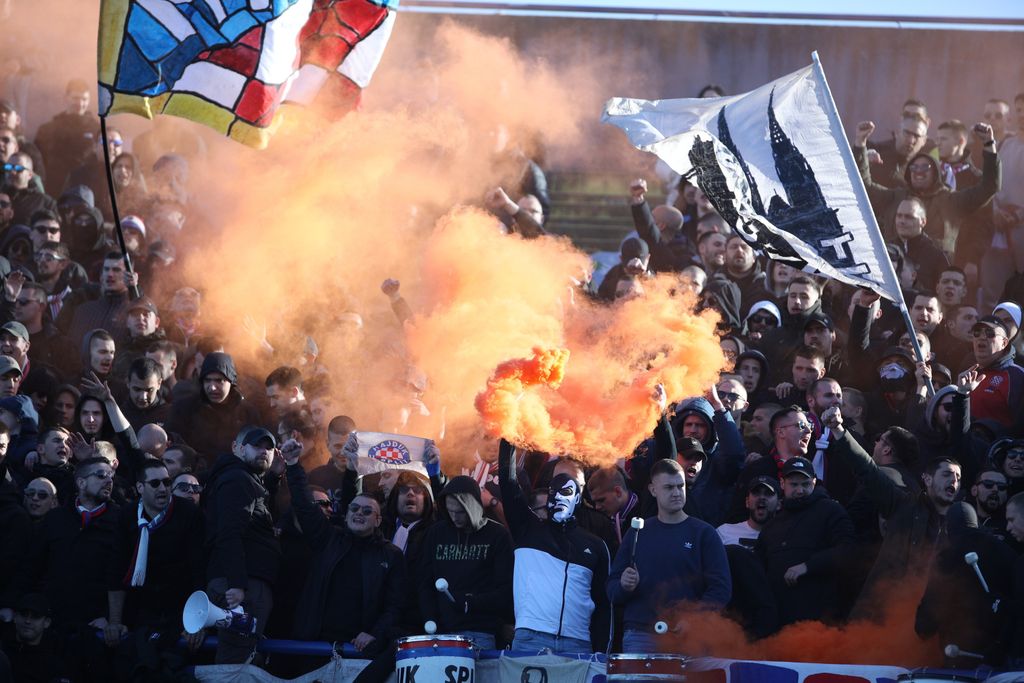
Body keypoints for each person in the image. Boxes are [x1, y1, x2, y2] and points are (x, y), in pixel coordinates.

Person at [282, 438, 405, 682]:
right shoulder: (328, 538)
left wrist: (374, 634)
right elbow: (305, 507)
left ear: (378, 520)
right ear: (346, 514)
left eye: (367, 511)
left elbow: (395, 605)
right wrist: (293, 464)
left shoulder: (391, 555)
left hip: (358, 653)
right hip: (314, 646)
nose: (359, 513)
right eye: (354, 509)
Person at [498, 438, 610, 653]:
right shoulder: (527, 529)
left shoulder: (595, 546)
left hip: (577, 643)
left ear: (578, 499)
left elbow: (605, 606)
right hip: (531, 638)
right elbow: (508, 481)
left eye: (566, 493)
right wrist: (507, 429)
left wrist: (601, 653)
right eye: (553, 492)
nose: (558, 498)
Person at [608, 458, 731, 653]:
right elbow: (612, 589)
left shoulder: (704, 533)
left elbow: (721, 588)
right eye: (668, 487)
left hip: (688, 637)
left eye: (680, 486)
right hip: (640, 634)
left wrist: (694, 618)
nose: (676, 492)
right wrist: (624, 586)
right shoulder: (637, 532)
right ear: (653, 490)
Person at [104, 459, 205, 655]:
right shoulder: (127, 515)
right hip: (141, 609)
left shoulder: (189, 513)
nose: (163, 488)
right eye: (155, 483)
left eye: (167, 482)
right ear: (140, 487)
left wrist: (198, 623)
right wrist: (114, 621)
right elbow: (116, 568)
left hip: (182, 610)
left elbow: (199, 569)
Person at [203, 426, 281, 664]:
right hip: (240, 589)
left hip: (239, 585)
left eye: (269, 447)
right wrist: (237, 584)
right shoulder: (238, 479)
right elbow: (229, 533)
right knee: (236, 664)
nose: (264, 451)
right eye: (257, 445)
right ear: (236, 448)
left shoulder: (241, 478)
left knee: (240, 660)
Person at [22, 457, 119, 631]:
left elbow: (122, 575)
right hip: (53, 620)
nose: (108, 481)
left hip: (96, 624)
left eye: (111, 476)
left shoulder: (121, 521)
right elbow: (32, 567)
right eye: (101, 475)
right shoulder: (55, 518)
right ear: (81, 483)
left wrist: (110, 618)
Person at [417, 476, 514, 649]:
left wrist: (472, 602)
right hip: (439, 632)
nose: (454, 517)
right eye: (450, 511)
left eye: (461, 512)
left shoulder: (498, 535)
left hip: (480, 631)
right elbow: (424, 581)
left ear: (474, 507)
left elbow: (505, 588)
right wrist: (429, 618)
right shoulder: (436, 533)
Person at [754, 456, 854, 626]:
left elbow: (848, 550)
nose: (800, 490)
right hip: (780, 620)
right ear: (782, 483)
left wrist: (808, 566)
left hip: (820, 621)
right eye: (794, 484)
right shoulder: (772, 524)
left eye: (805, 484)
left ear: (814, 483)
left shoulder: (831, 511)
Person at [165, 352, 262, 467]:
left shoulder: (247, 413)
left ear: (231, 381)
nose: (212, 387)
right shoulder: (185, 409)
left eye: (219, 380)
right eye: (207, 380)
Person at [717, 475, 779, 549]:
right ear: (747, 502)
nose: (761, 497)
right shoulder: (724, 532)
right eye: (756, 493)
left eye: (768, 493)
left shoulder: (787, 536)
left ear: (779, 504)